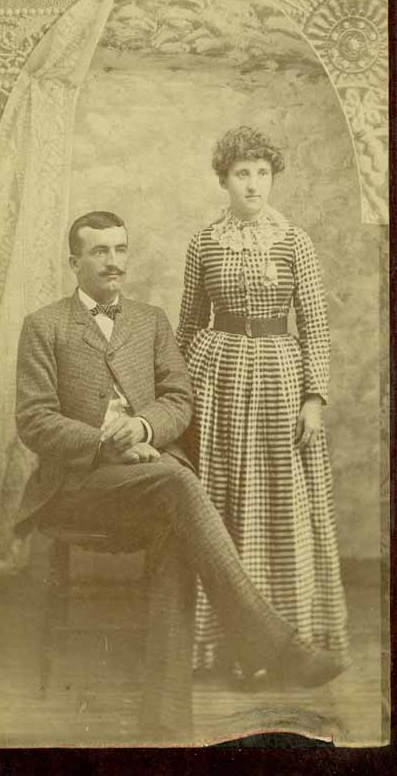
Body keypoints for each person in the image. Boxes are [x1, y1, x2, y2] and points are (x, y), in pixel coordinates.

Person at [14, 209, 346, 744]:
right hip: (77, 487)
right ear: (74, 261)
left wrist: (144, 427)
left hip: (148, 480)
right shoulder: (44, 325)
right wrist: (104, 440)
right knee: (178, 483)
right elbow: (33, 419)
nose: (113, 261)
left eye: (121, 249)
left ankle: (165, 723)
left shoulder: (151, 320)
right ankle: (269, 641)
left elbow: (179, 399)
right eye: (99, 251)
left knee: (175, 520)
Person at [176, 126, 350, 685]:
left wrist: (315, 398)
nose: (253, 184)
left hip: (280, 378)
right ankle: (226, 648)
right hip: (216, 381)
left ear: (272, 178)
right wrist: (177, 403)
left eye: (262, 173)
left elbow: (317, 329)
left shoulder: (293, 240)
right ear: (224, 179)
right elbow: (185, 326)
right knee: (221, 506)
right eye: (242, 174)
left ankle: (287, 638)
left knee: (278, 507)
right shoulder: (204, 242)